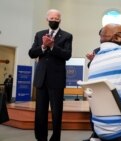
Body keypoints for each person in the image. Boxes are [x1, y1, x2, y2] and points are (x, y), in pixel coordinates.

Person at [28, 9, 73, 141]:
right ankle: (41, 138)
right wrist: (43, 46)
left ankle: (55, 138)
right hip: (41, 79)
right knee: (40, 112)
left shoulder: (67, 36)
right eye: (51, 18)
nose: (54, 20)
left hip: (57, 80)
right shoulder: (39, 34)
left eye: (56, 18)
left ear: (60, 19)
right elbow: (31, 53)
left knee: (56, 112)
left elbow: (67, 55)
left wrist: (53, 46)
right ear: (47, 19)